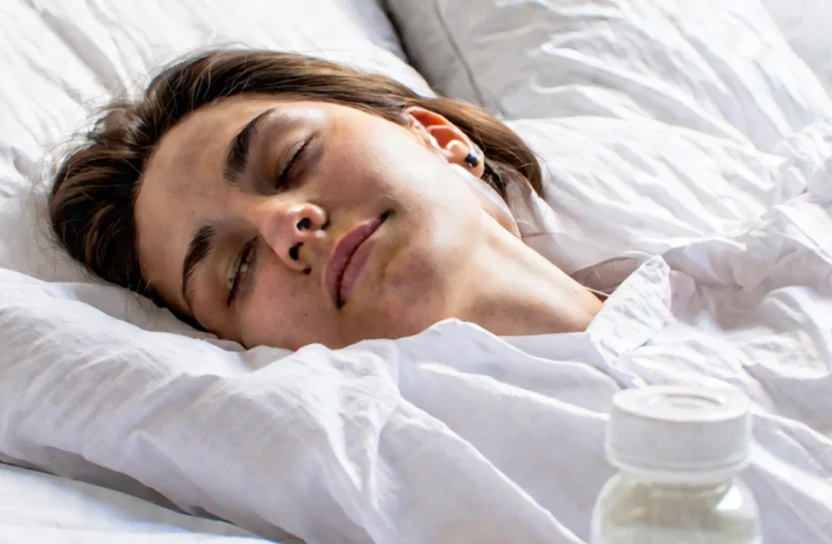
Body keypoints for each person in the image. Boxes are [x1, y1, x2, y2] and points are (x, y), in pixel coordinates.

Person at [49, 49, 602, 350]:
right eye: (238, 270)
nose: (281, 224)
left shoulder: (684, 279)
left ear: (438, 137)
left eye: (290, 160)